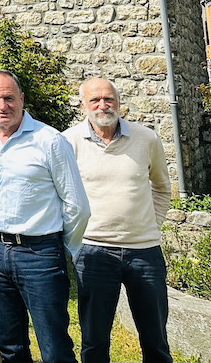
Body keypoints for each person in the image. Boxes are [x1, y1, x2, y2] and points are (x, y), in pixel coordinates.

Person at [0, 69, 90, 363]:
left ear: (22, 99)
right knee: (9, 346)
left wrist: (57, 246)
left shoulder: (49, 140)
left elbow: (76, 205)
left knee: (54, 348)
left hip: (40, 254)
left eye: (9, 98)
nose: (2, 105)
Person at [63, 77, 172, 363]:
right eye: (95, 100)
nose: (103, 105)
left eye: (109, 99)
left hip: (145, 252)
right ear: (82, 104)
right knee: (95, 340)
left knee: (156, 339)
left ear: (119, 102)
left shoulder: (146, 138)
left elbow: (161, 187)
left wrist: (150, 225)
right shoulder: (68, 141)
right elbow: (61, 195)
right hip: (93, 252)